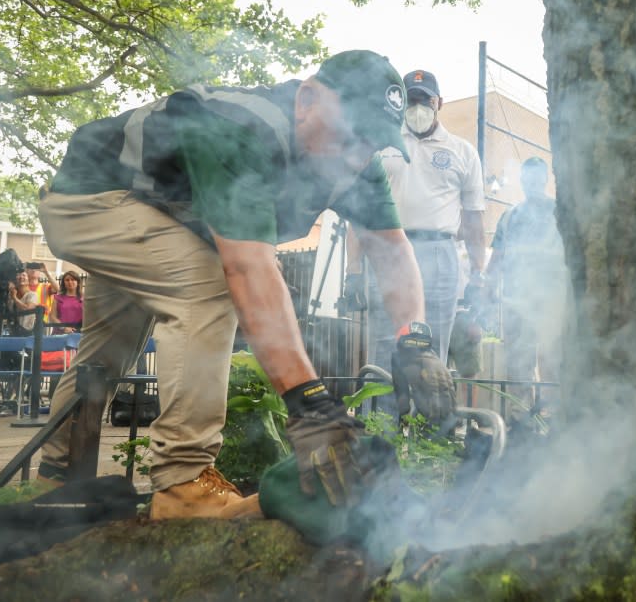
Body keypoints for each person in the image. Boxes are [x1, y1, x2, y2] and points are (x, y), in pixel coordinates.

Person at [36, 49, 454, 519]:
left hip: (164, 215)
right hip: (91, 197)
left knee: (107, 351)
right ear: (307, 99)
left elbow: (393, 251)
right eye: (349, 134)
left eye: (370, 144)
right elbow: (246, 269)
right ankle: (182, 483)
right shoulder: (242, 127)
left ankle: (58, 475)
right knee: (207, 286)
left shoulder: (358, 167)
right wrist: (308, 403)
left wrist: (413, 338)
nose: (355, 158)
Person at [351, 69, 486, 411]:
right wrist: (353, 270)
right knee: (384, 346)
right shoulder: (380, 147)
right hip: (389, 252)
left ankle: (430, 442)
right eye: (410, 101)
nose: (418, 107)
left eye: (425, 100)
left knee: (433, 348)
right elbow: (359, 213)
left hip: (441, 254)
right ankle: (381, 435)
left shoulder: (462, 152)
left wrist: (478, 275)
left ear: (438, 102)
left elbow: (473, 220)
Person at [485, 157, 567, 423]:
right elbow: (496, 258)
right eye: (527, 179)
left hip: (551, 300)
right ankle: (521, 420)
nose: (531, 184)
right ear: (522, 181)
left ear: (545, 180)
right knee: (518, 364)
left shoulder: (559, 214)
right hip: (515, 302)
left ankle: (553, 419)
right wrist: (488, 287)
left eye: (536, 179)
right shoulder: (509, 218)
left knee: (552, 361)